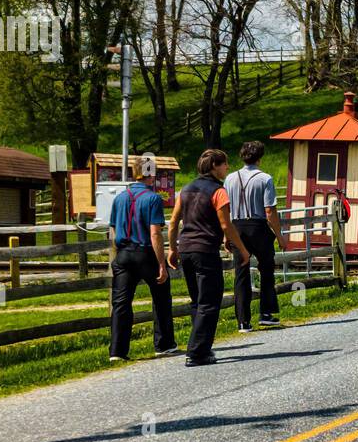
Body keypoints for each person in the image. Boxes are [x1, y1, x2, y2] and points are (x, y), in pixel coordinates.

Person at [167, 149, 251, 367]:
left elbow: (174, 221)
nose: (227, 168)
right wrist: (241, 249)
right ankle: (196, 352)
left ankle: (202, 347)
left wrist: (172, 249)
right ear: (214, 165)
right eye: (224, 164)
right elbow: (226, 224)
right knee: (210, 301)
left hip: (186, 249)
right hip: (205, 250)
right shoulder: (218, 191)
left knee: (197, 301)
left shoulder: (185, 190)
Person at [107, 169, 176, 362]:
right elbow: (155, 233)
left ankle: (117, 351)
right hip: (144, 251)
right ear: (150, 176)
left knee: (121, 302)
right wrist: (161, 264)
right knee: (161, 297)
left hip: (123, 253)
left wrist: (118, 251)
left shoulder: (119, 198)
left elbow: (113, 228)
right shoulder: (153, 199)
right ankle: (164, 344)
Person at [226, 140, 284, 333]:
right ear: (260, 158)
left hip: (237, 226)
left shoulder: (230, 178)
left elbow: (225, 209)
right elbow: (269, 210)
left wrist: (227, 235)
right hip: (258, 226)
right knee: (266, 269)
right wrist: (279, 235)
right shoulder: (265, 178)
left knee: (241, 274)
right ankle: (266, 313)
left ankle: (243, 321)